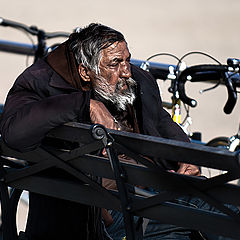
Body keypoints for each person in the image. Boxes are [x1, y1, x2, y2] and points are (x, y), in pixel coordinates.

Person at [0, 23, 237, 240]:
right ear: (85, 72)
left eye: (127, 60)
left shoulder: (136, 80)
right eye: (115, 63)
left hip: (151, 192)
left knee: (225, 212)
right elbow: (13, 132)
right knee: (215, 219)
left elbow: (161, 121)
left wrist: (186, 157)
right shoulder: (41, 82)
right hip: (103, 216)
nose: (126, 71)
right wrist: (84, 104)